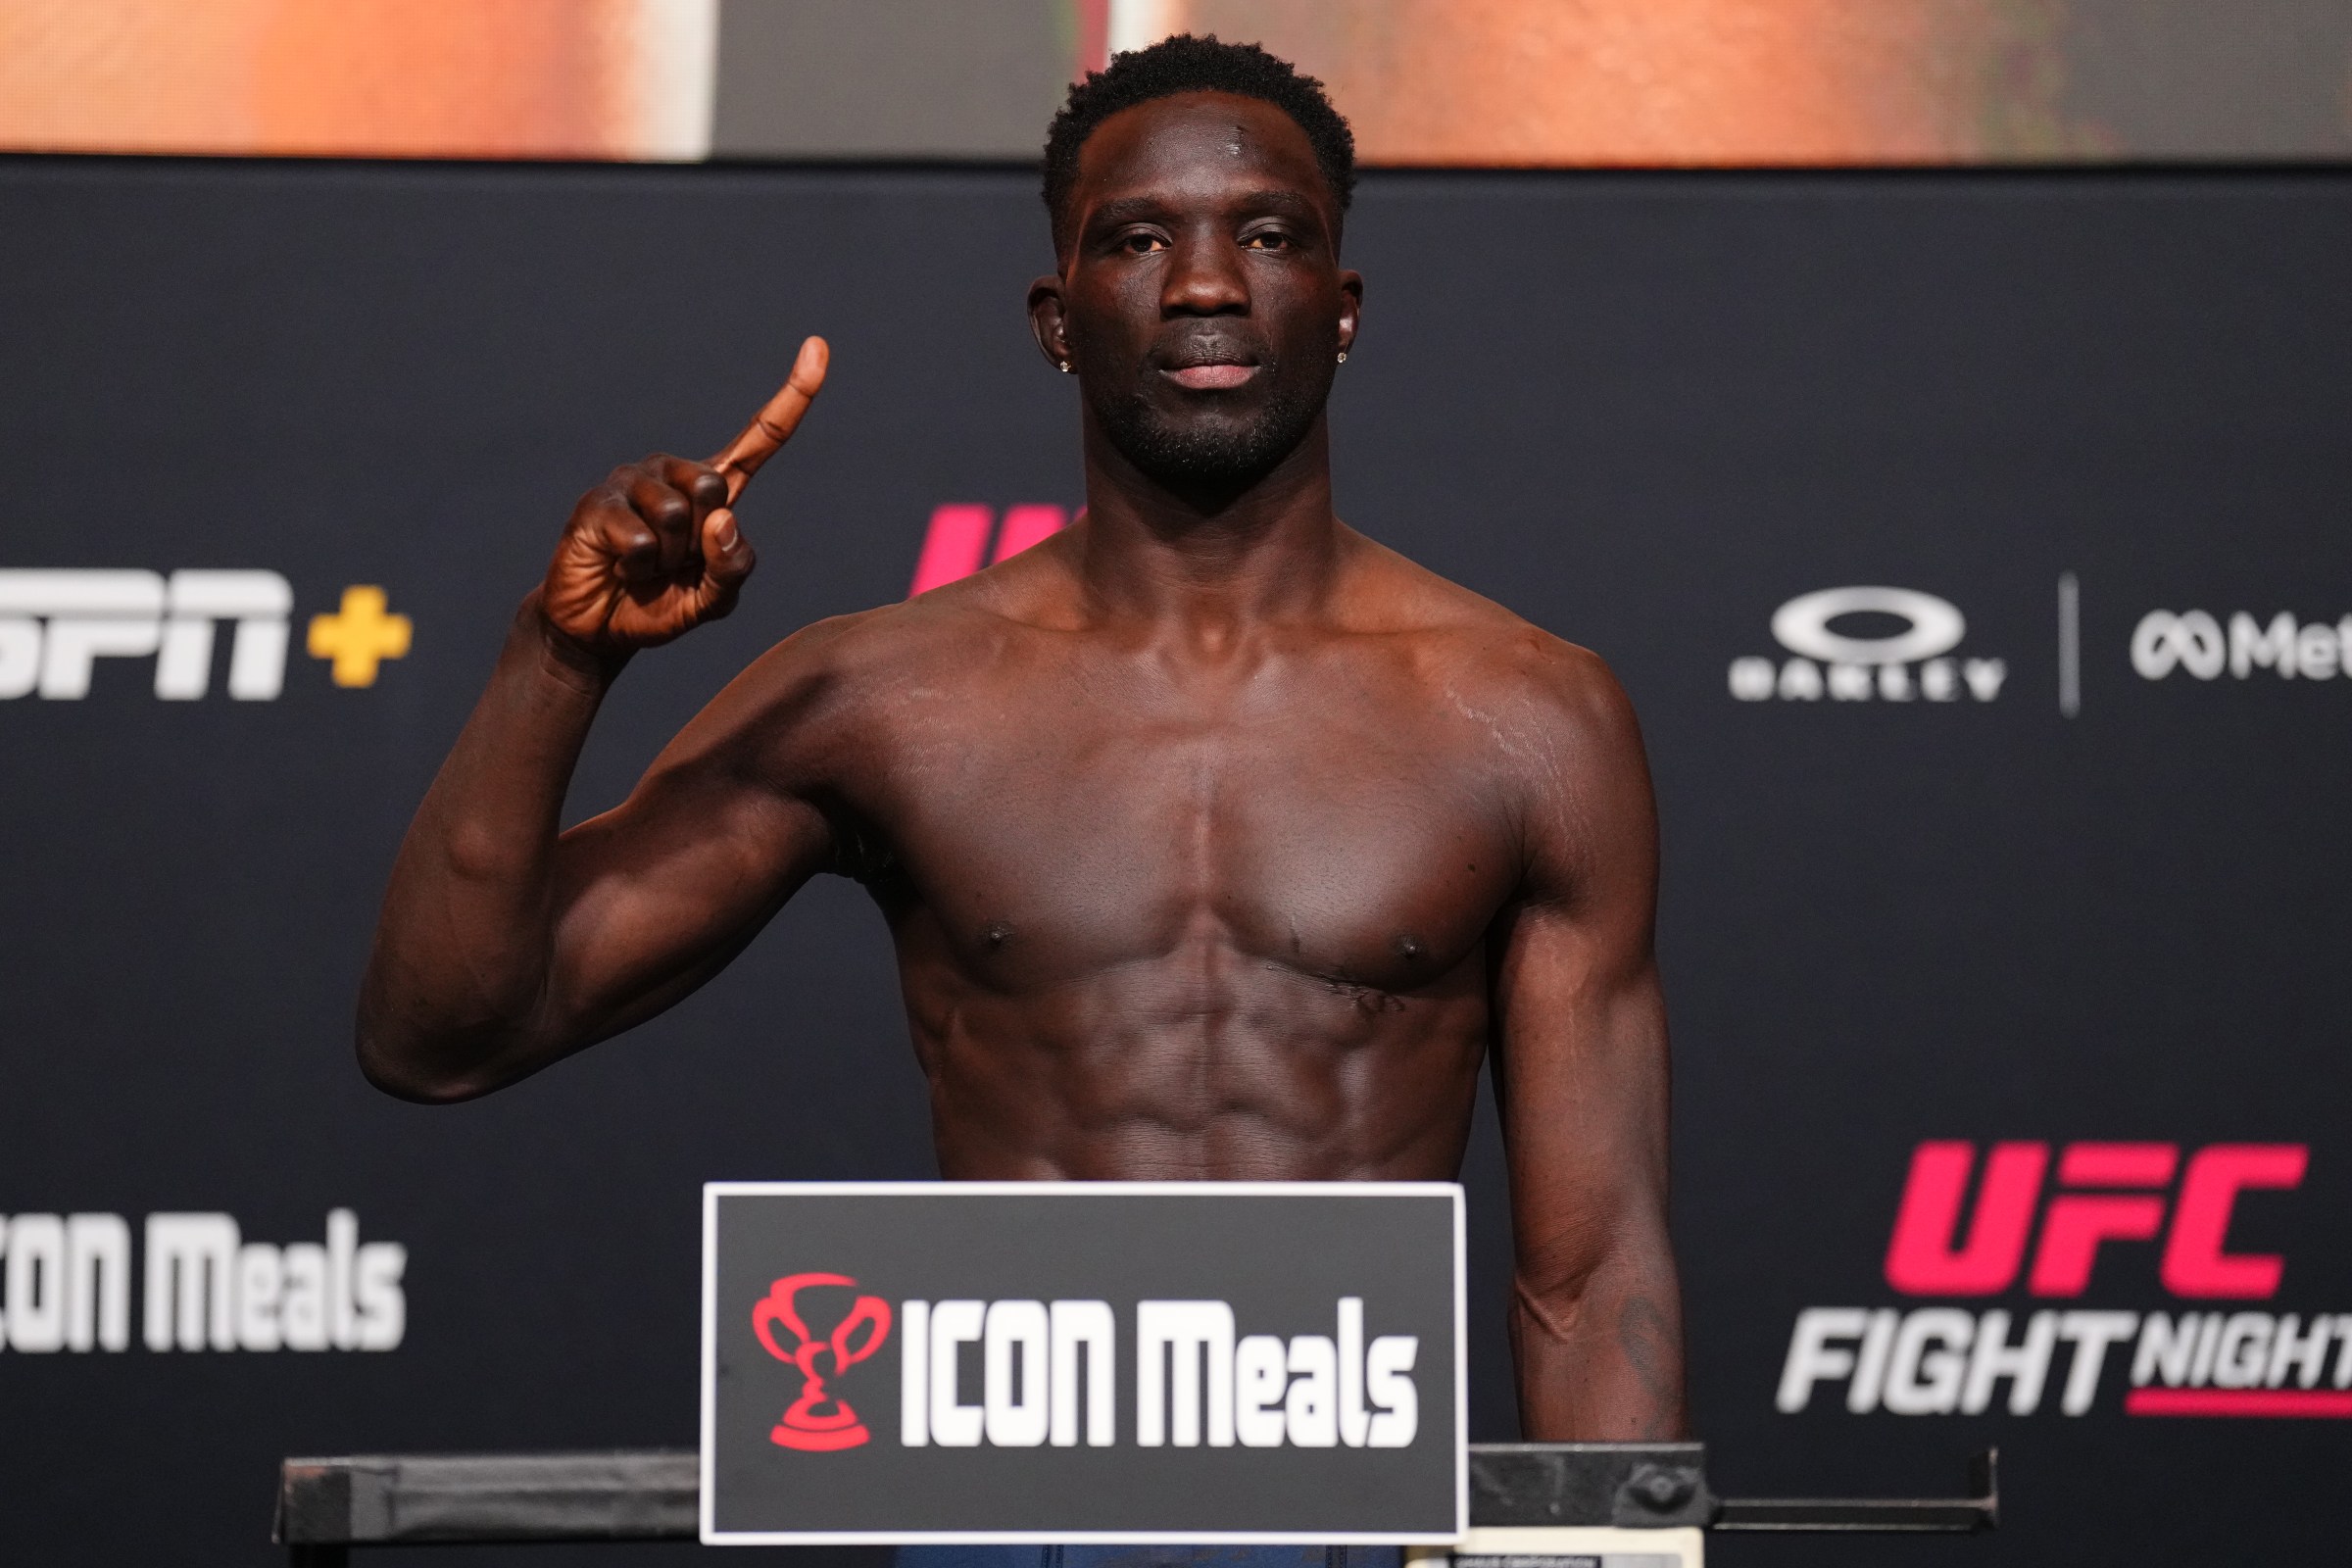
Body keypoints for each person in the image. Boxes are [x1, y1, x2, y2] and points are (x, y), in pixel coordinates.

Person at [357, 35, 1685, 1468]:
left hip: (1351, 1507)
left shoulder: (1528, 717)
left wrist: (1613, 1551)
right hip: (1004, 1508)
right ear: (1058, 319)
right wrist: (560, 661)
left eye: (1268, 235)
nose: (1206, 284)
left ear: (1343, 304)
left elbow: (1591, 1273)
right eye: (1138, 239)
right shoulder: (888, 698)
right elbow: (442, 1033)